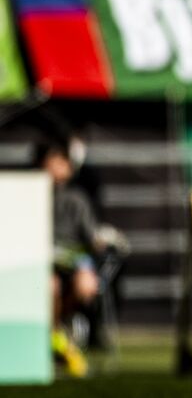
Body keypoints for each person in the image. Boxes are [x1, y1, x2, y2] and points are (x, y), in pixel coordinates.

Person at [39, 140, 123, 377]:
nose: (56, 168)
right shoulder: (33, 195)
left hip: (74, 261)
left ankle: (58, 330)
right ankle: (57, 335)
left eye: (61, 162)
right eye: (52, 162)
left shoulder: (77, 198)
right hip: (44, 265)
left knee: (87, 285)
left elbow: (91, 236)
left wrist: (106, 240)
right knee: (50, 286)